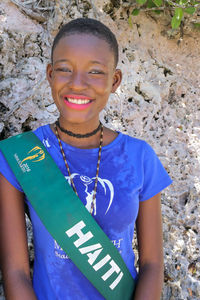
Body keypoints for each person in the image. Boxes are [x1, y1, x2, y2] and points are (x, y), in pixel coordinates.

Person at [0, 18, 172, 300]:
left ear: (114, 81)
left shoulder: (139, 157)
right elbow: (15, 271)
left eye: (94, 72)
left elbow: (152, 264)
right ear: (50, 74)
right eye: (65, 69)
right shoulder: (19, 157)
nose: (77, 84)